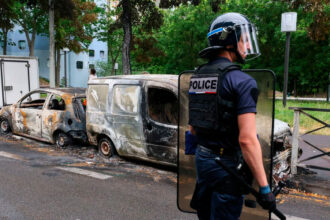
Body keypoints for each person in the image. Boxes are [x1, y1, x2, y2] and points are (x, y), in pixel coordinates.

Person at [189, 12, 276, 219]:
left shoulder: (197, 76)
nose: (247, 47)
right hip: (226, 167)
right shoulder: (243, 82)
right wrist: (265, 189)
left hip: (203, 162)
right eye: (244, 40)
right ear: (228, 41)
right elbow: (247, 140)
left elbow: (193, 128)